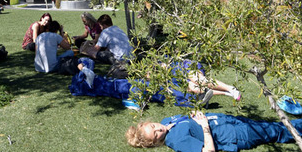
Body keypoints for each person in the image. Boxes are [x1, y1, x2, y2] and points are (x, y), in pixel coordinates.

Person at [126, 110, 302, 152]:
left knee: (268, 126)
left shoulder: (167, 120)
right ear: (155, 142)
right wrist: (205, 126)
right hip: (234, 135)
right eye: (156, 135)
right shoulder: (176, 141)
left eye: (154, 126)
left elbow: (188, 121)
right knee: (271, 132)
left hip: (227, 121)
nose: (159, 129)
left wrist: (194, 115)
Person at [69, 58, 241, 109]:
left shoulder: (160, 64)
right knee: (190, 87)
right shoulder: (89, 83)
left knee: (194, 82)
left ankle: (228, 89)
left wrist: (81, 66)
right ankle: (224, 93)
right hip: (171, 79)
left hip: (182, 69)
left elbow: (86, 62)